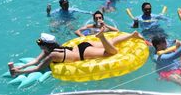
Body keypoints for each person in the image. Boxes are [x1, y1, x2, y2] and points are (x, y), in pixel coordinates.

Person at [9, 29, 143, 77]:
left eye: (40, 45)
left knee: (111, 53)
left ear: (45, 45)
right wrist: (19, 67)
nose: (40, 47)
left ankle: (101, 37)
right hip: (81, 46)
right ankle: (132, 35)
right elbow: (35, 61)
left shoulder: (51, 55)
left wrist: (18, 72)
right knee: (112, 41)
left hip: (83, 53)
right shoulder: (52, 49)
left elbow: (38, 67)